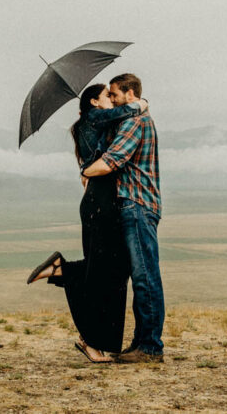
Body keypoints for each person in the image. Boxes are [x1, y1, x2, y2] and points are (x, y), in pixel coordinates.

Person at [26, 83, 147, 363]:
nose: (112, 100)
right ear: (94, 102)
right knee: (109, 273)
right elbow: (129, 111)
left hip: (98, 201)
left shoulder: (88, 124)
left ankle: (63, 271)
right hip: (102, 203)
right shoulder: (94, 118)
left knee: (107, 270)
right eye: (107, 95)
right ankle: (90, 339)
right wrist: (141, 103)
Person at [81, 73, 164, 363]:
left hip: (137, 205)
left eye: (114, 95)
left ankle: (151, 347)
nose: (112, 100)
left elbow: (111, 161)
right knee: (141, 277)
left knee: (145, 278)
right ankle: (143, 342)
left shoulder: (135, 122)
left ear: (130, 94)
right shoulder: (136, 118)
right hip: (136, 205)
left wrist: (85, 172)